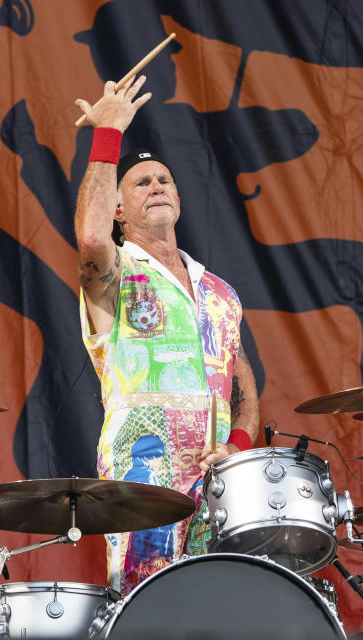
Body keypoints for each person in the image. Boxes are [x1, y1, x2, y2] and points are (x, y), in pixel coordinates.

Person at [74, 75, 260, 595]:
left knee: (213, 611)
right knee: (148, 611)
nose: (157, 186)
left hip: (218, 487)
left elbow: (243, 383)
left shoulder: (219, 290)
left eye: (164, 180)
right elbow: (90, 237)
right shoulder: (116, 273)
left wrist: (238, 444)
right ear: (118, 209)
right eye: (142, 182)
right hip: (144, 482)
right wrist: (107, 134)